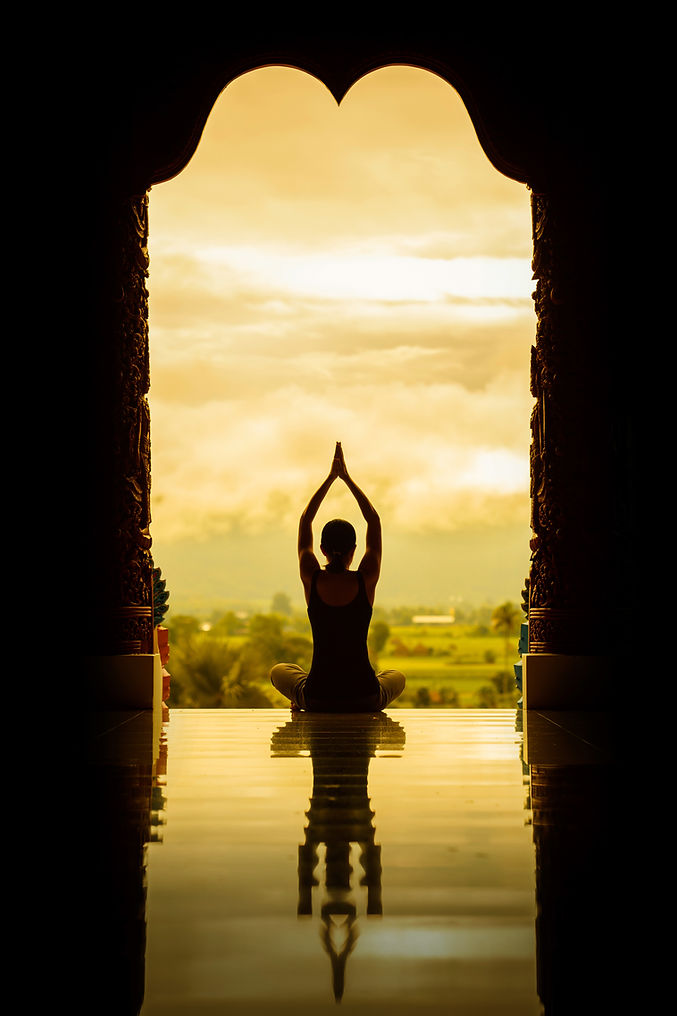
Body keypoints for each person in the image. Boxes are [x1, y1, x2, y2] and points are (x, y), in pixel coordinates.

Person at [270, 443, 406, 712]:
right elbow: (374, 521)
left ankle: (298, 700)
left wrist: (330, 478)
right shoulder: (366, 579)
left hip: (318, 697)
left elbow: (305, 521)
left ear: (322, 550)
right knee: (396, 677)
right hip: (365, 697)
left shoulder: (312, 577)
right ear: (354, 551)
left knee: (280, 670)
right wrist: (347, 478)